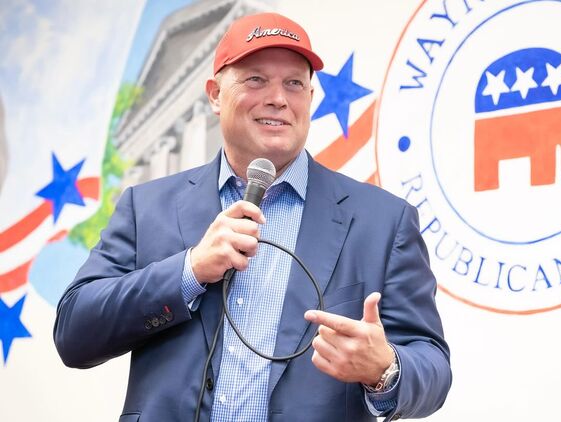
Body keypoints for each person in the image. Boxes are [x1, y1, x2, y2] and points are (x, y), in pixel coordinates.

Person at [54, 12, 451, 422]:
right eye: (256, 79)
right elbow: (74, 333)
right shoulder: (146, 207)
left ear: (310, 98)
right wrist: (189, 271)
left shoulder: (383, 221)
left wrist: (384, 370)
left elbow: (432, 366)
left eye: (293, 83)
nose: (278, 98)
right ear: (214, 95)